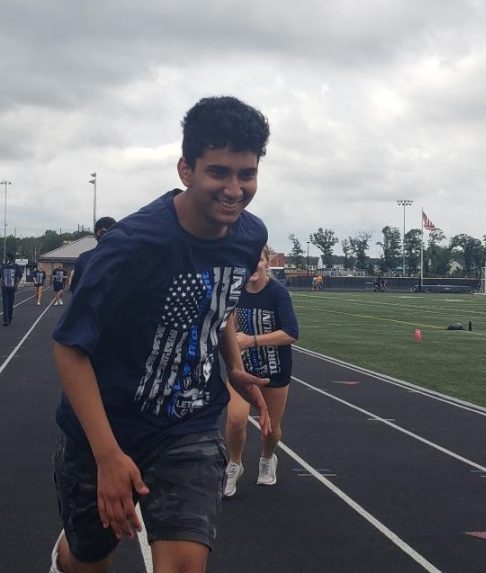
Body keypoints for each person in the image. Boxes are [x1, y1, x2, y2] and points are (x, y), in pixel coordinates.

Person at [49, 96, 273, 573]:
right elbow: (70, 348)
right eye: (219, 172)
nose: (234, 189)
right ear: (186, 169)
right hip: (107, 428)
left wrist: (232, 363)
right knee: (89, 559)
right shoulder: (130, 248)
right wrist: (108, 456)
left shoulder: (249, 235)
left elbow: (221, 301)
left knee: (186, 565)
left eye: (246, 174)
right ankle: (67, 554)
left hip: (188, 424)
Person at [224, 246, 299, 498]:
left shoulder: (278, 294)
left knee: (271, 428)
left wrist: (252, 340)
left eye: (259, 260)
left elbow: (291, 334)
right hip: (243, 369)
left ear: (267, 264)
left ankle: (267, 458)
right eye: (248, 261)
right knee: (235, 420)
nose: (253, 266)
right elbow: (229, 327)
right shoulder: (234, 292)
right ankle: (234, 464)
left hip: (274, 370)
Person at [69, 217, 116, 292]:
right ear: (95, 234)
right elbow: (75, 286)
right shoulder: (83, 259)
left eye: (110, 232)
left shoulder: (125, 257)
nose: (106, 235)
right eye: (102, 232)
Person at [0, 253, 23, 326]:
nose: (6, 260)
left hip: (12, 287)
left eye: (7, 258)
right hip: (5, 288)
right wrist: (1, 284)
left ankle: (9, 317)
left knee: (10, 304)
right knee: (5, 303)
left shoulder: (16, 266)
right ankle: (6, 320)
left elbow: (20, 276)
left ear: (10, 258)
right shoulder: (3, 266)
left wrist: (16, 284)